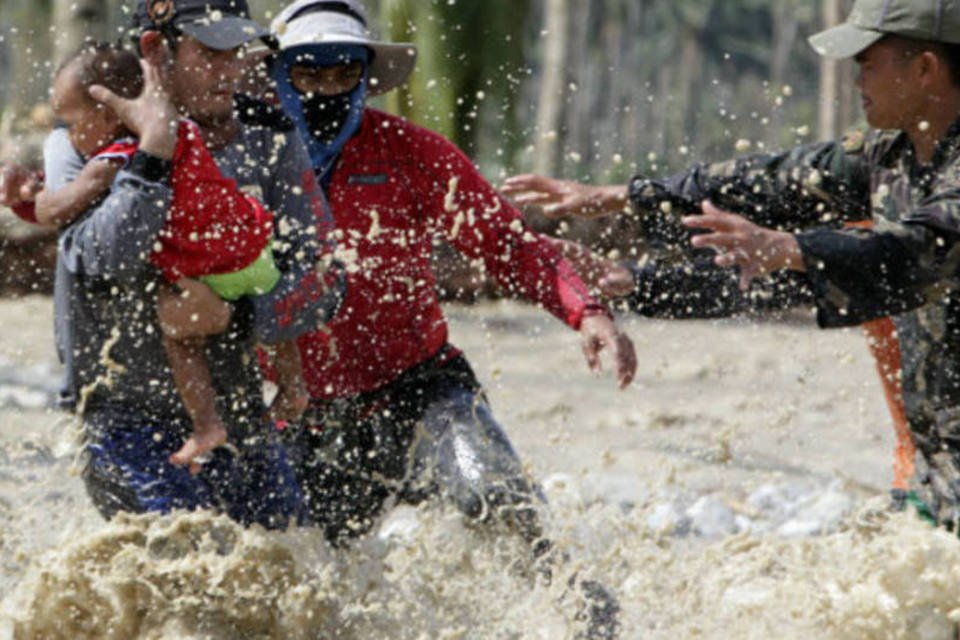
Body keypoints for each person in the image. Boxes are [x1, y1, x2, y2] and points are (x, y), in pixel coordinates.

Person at [507, 0, 960, 528]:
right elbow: (763, 184)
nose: (856, 75)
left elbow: (911, 254)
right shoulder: (890, 155)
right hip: (941, 470)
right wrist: (624, 215)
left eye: (867, 60)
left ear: (925, 68)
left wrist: (790, 249)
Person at [268, 1, 633, 636]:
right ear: (278, 75)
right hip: (301, 409)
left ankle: (584, 615)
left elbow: (509, 245)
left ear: (364, 77)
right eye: (309, 74)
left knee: (492, 496)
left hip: (421, 389)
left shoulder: (411, 153)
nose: (327, 90)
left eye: (341, 74)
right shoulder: (244, 162)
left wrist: (587, 311)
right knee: (289, 577)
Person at [26, 0, 343, 528]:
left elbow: (328, 276)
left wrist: (237, 316)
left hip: (238, 414)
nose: (231, 70)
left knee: (295, 572)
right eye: (211, 52)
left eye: (237, 52)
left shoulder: (269, 135)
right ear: (157, 51)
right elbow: (96, 258)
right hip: (126, 422)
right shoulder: (85, 137)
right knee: (186, 559)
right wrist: (153, 150)